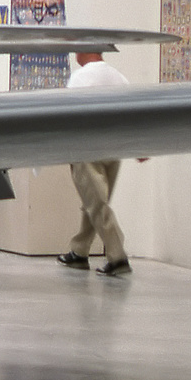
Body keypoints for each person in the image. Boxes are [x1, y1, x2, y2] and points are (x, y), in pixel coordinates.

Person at [57, 51, 133, 276]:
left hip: (87, 147)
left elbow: (68, 115)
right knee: (95, 200)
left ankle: (118, 257)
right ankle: (79, 251)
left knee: (97, 204)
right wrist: (137, 145)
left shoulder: (80, 78)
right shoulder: (120, 78)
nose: (74, 54)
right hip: (114, 148)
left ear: (87, 51)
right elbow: (131, 114)